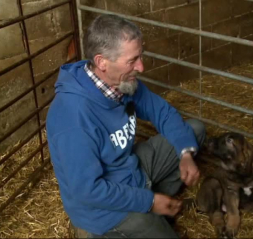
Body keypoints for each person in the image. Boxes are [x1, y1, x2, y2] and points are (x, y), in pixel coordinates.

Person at [46, 14, 205, 238]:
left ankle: (158, 205)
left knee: (194, 132)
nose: (141, 67)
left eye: (140, 56)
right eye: (132, 61)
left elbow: (162, 112)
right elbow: (88, 191)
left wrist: (186, 153)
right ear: (102, 62)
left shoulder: (122, 83)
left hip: (131, 170)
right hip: (103, 211)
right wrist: (148, 202)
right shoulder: (72, 117)